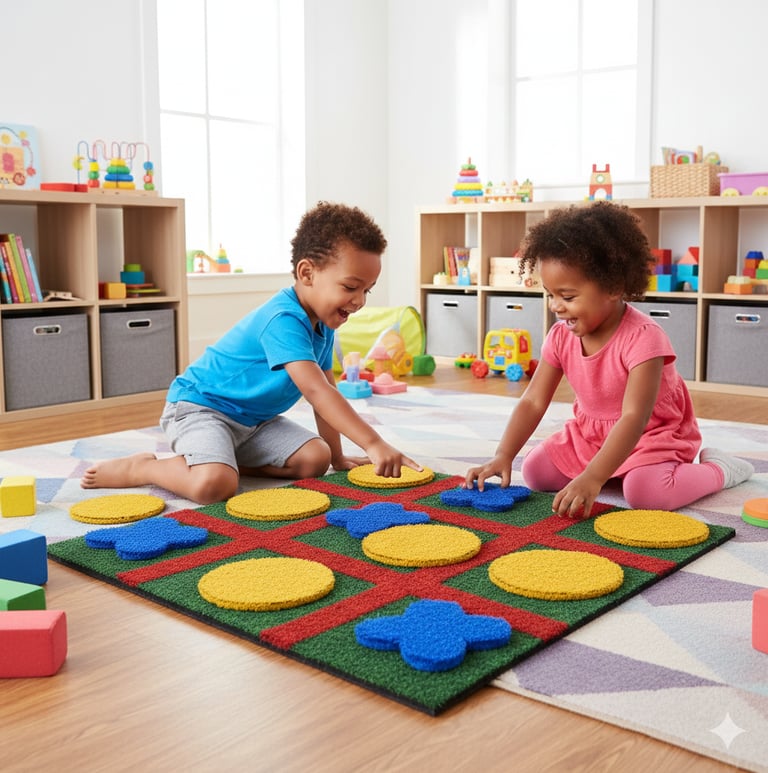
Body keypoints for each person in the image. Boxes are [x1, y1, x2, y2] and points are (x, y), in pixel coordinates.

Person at [82, 201, 422, 504]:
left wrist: (337, 457)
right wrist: (373, 443)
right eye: (350, 287)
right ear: (307, 273)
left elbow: (327, 393)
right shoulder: (283, 320)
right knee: (214, 486)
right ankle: (145, 468)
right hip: (201, 409)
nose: (359, 301)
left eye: (367, 290)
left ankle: (224, 461)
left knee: (314, 459)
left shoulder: (324, 325)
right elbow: (317, 393)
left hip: (254, 422)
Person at [464, 201, 753, 518]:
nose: (555, 306)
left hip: (650, 435)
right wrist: (503, 455)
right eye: (550, 294)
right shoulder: (561, 336)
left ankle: (718, 470)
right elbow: (533, 401)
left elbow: (634, 417)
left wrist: (593, 477)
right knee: (535, 472)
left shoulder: (644, 338)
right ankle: (612, 471)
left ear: (613, 287)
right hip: (592, 436)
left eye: (568, 296)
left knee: (645, 492)